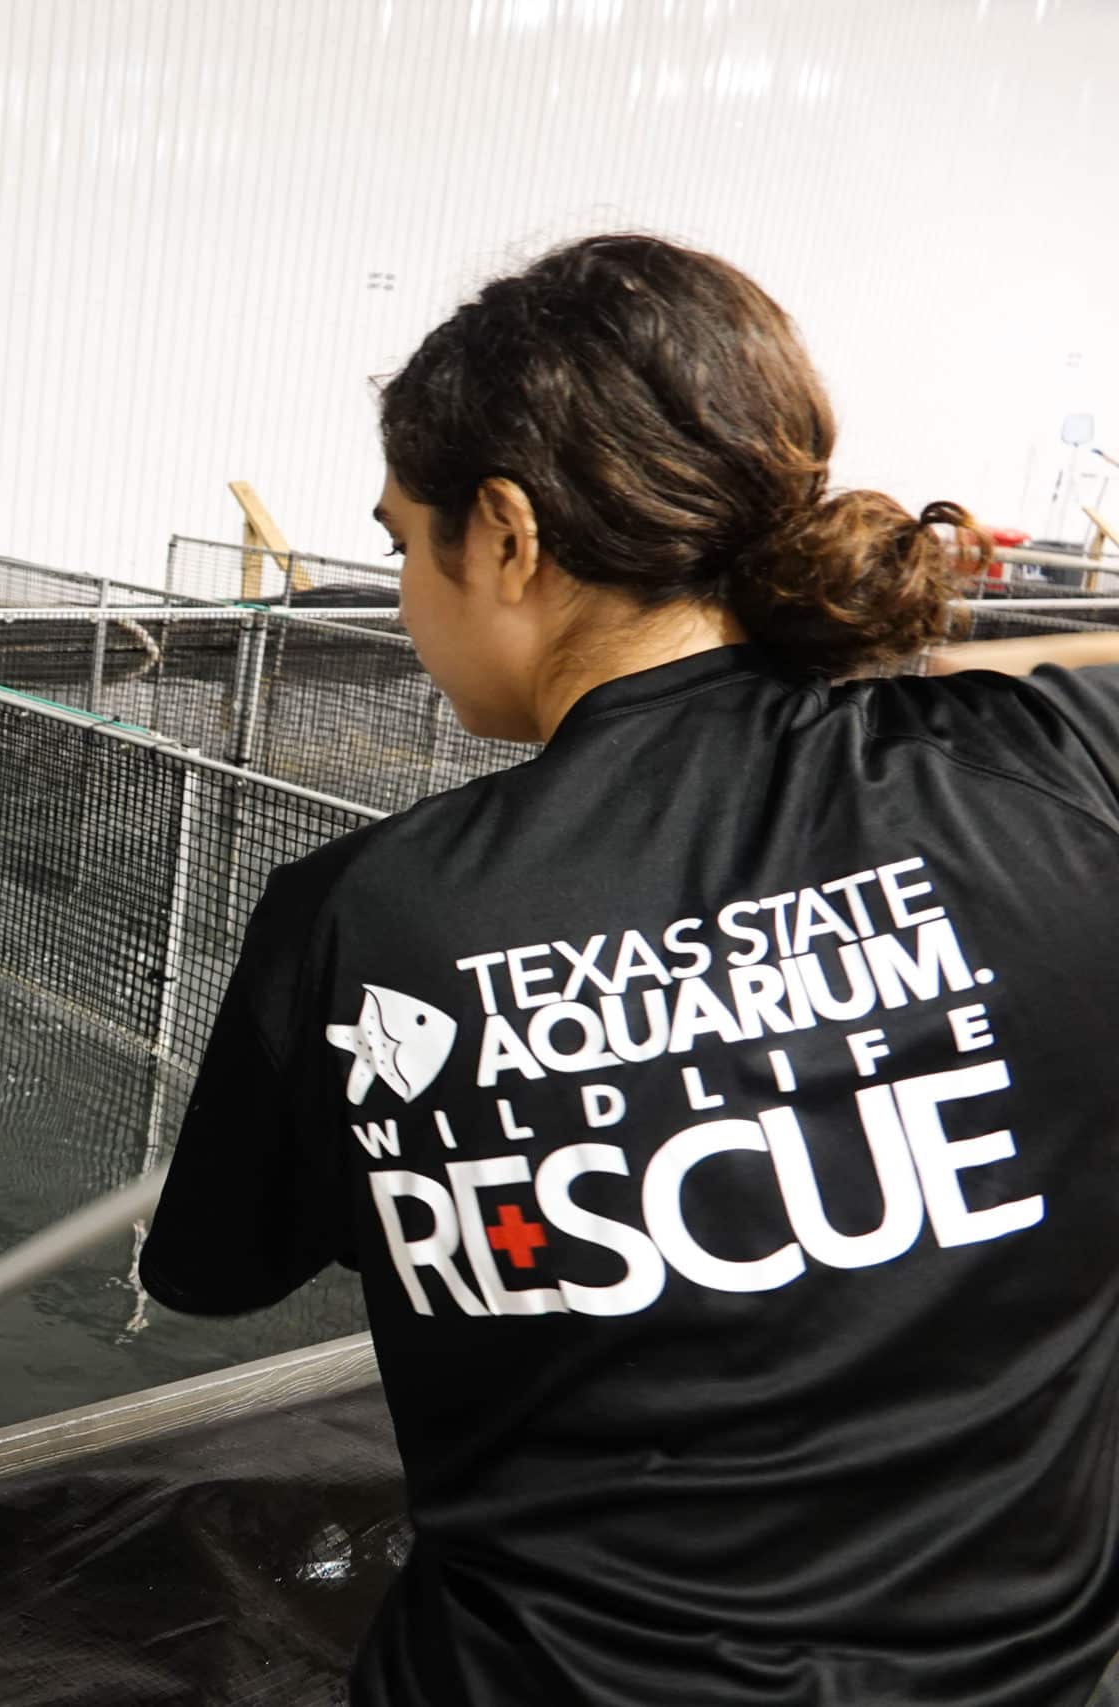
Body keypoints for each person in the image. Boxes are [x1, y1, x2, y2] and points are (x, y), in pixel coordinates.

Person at [138, 234, 1119, 1706]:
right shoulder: (1061, 784)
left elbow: (210, 1272)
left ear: (511, 538)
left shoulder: (366, 922)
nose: (406, 597)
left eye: (407, 542)